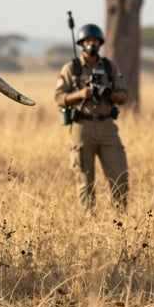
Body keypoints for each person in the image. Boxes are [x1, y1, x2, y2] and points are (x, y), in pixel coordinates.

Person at [54, 23, 128, 211]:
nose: (91, 44)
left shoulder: (110, 67)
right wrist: (80, 94)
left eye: (95, 41)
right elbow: (59, 97)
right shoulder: (71, 68)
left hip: (107, 127)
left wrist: (109, 94)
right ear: (81, 43)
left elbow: (124, 96)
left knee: (119, 175)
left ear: (100, 43)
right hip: (82, 127)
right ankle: (89, 220)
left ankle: (121, 218)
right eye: (88, 41)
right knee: (84, 179)